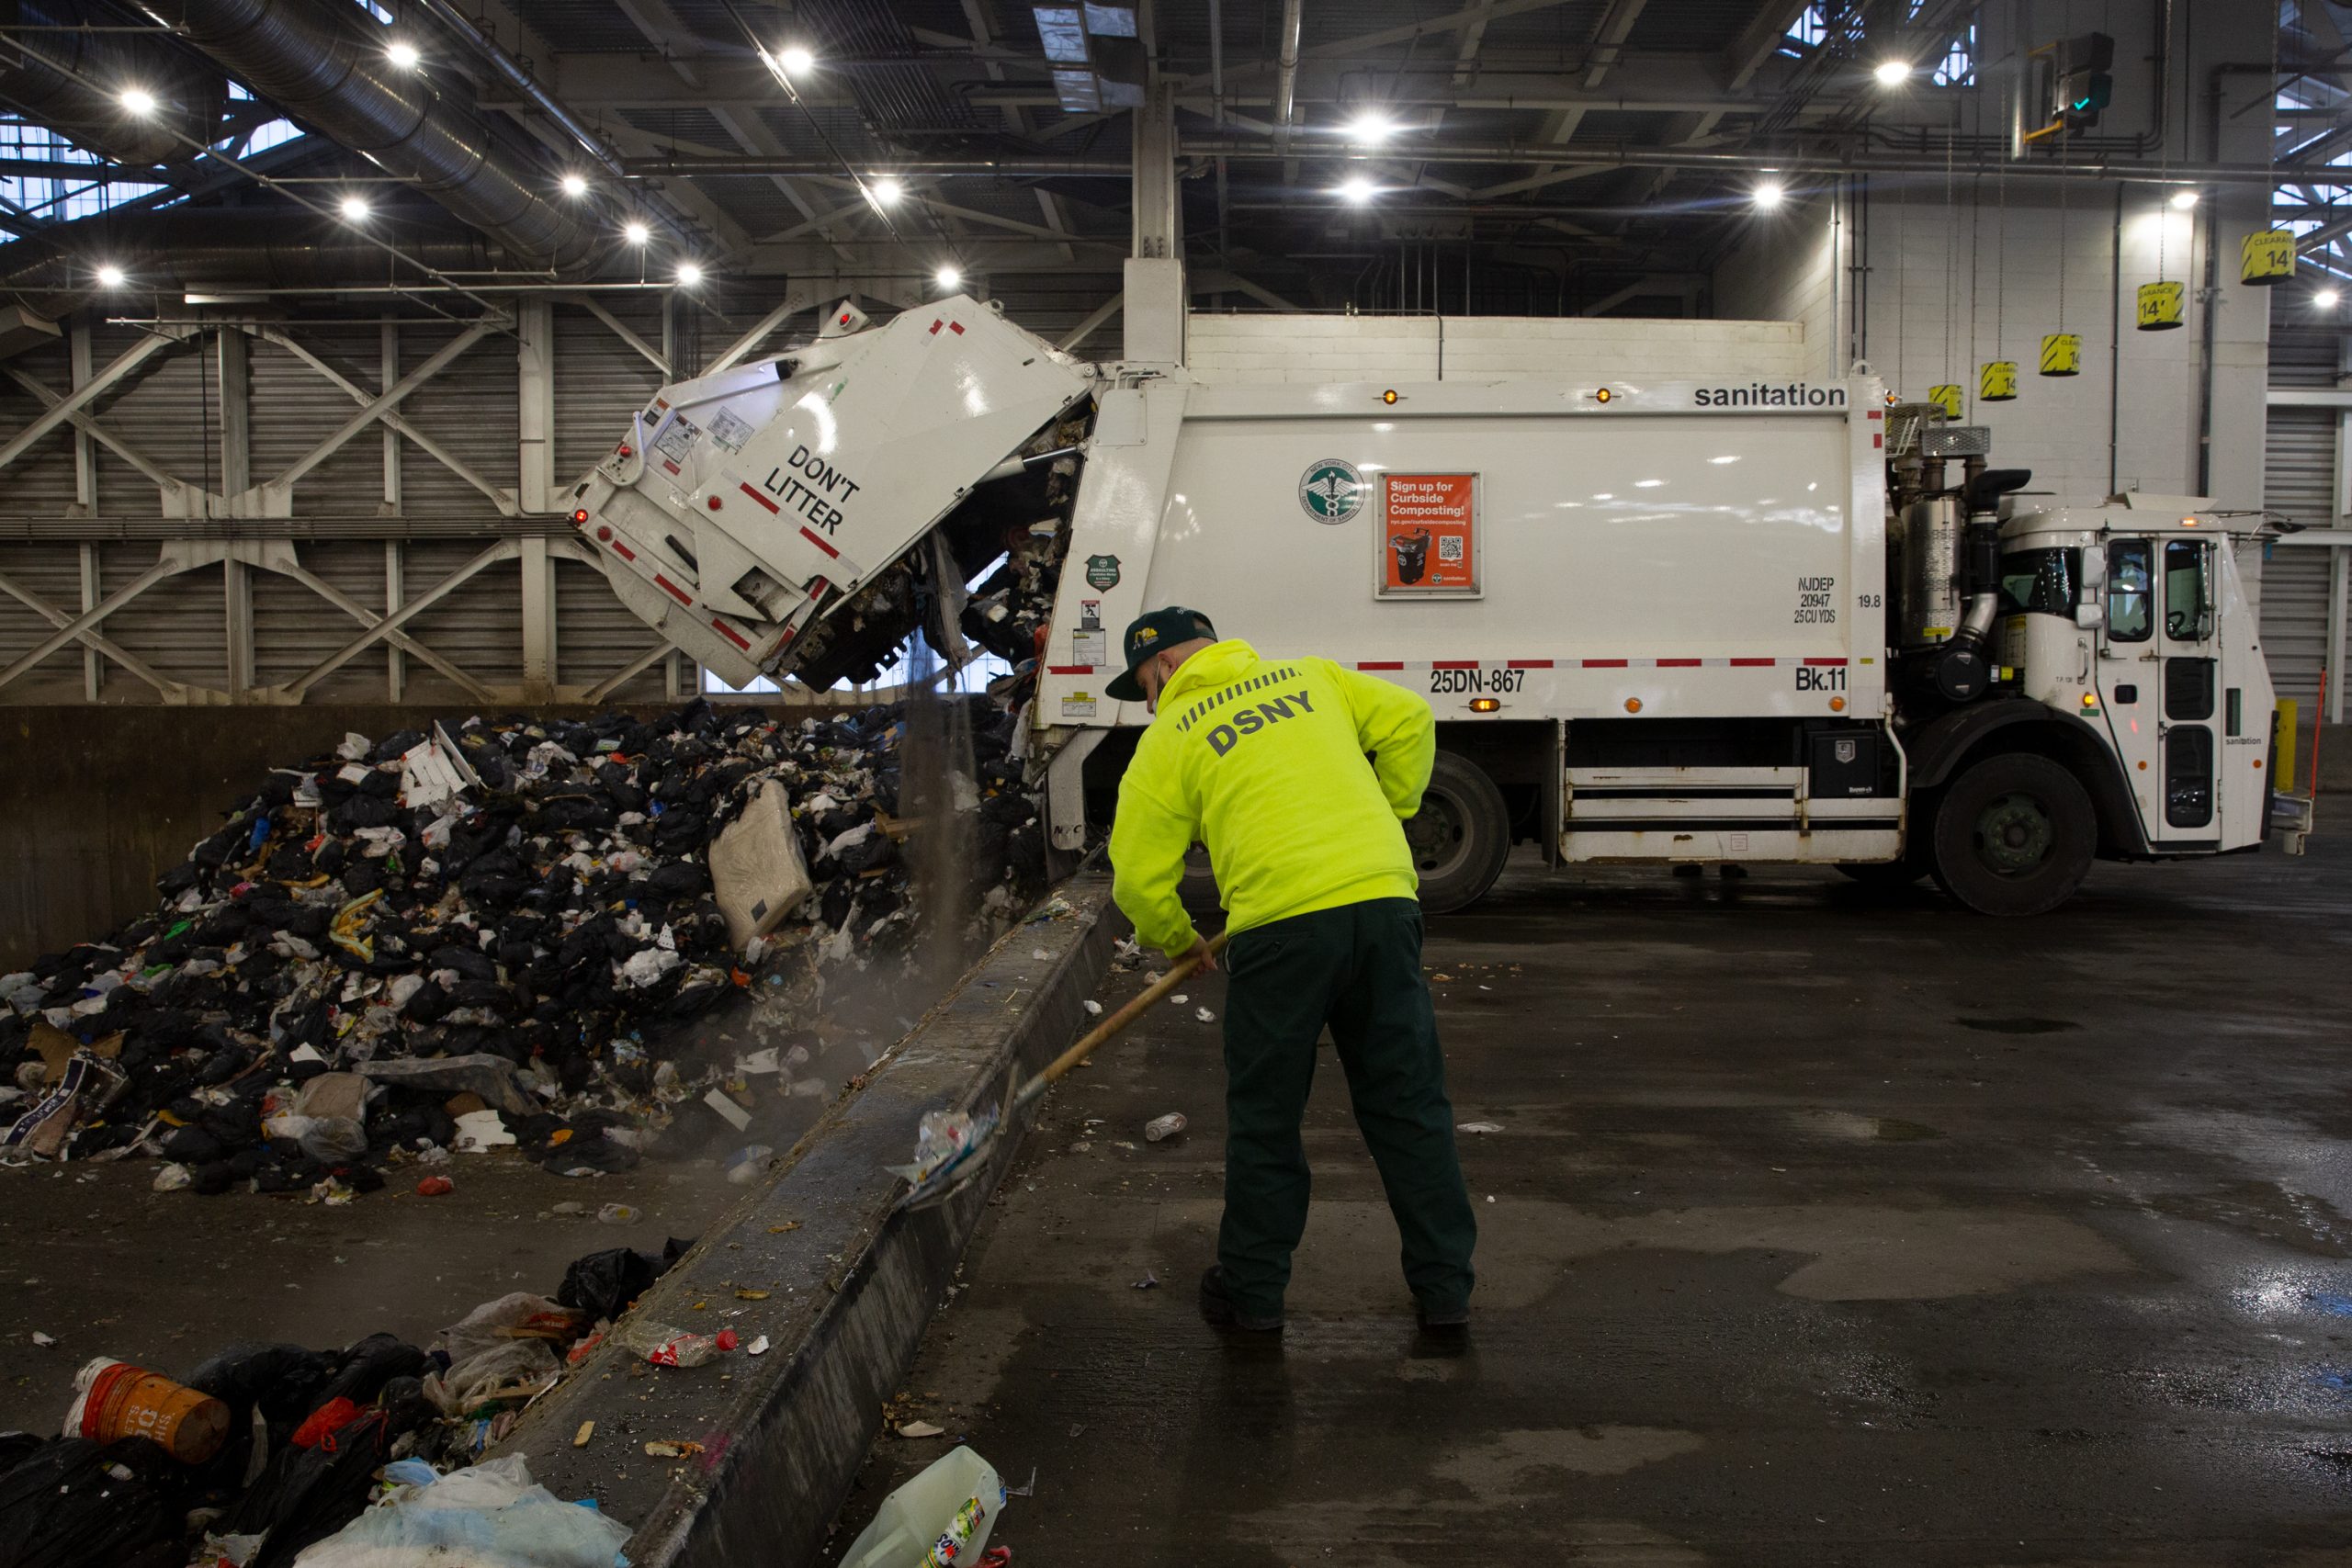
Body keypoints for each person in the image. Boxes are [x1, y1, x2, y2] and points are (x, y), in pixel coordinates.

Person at [1102, 606, 1477, 1334]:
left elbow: (1138, 882)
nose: (1149, 703)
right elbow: (1410, 719)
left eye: (1145, 685)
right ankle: (1445, 1292)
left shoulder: (1169, 737)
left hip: (1279, 930)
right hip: (1383, 906)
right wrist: (1390, 809)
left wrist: (1178, 940)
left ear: (1168, 665)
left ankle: (1252, 1296)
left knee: (1267, 1119)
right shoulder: (1313, 675)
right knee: (1409, 1105)